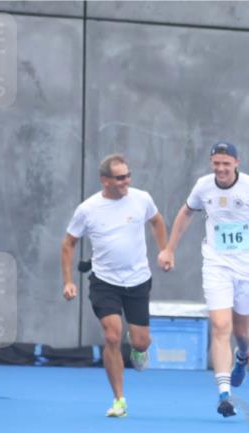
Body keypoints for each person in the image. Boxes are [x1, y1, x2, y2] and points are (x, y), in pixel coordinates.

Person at [157, 142, 249, 417]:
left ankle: (243, 357)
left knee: (241, 332)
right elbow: (186, 212)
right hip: (216, 264)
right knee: (220, 325)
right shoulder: (203, 187)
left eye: (226, 163)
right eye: (217, 163)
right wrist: (169, 249)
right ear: (211, 163)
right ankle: (224, 394)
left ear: (236, 162)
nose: (221, 168)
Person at [61, 154, 168, 418]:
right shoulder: (88, 209)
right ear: (105, 180)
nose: (126, 181)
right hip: (104, 281)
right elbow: (68, 244)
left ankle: (138, 347)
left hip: (138, 279)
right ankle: (119, 399)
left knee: (141, 342)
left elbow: (157, 221)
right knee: (111, 336)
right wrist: (68, 282)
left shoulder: (142, 199)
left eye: (128, 175)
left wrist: (166, 250)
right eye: (120, 177)